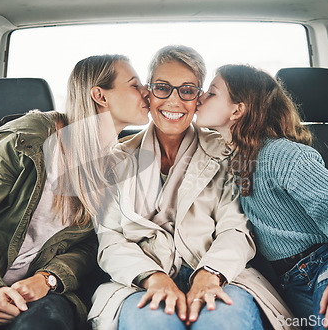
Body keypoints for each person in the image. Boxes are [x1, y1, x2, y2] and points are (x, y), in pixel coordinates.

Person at [0, 54, 150, 330]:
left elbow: (89, 247)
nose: (146, 91)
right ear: (100, 95)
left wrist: (49, 278)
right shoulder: (28, 137)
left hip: (42, 289)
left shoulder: (117, 166)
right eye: (135, 84)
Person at [88, 46, 297, 330]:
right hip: (139, 281)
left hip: (222, 275)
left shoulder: (226, 153)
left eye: (187, 90)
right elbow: (110, 239)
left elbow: (235, 228)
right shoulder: (115, 160)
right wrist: (153, 277)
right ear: (148, 93)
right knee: (151, 321)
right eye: (162, 88)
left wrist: (209, 275)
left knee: (223, 320)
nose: (173, 101)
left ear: (198, 97)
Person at [195, 64, 328, 330]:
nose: (200, 96)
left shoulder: (281, 154)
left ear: (237, 110)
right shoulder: (231, 160)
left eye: (211, 93)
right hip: (291, 281)